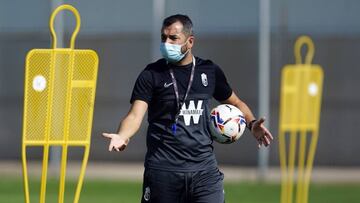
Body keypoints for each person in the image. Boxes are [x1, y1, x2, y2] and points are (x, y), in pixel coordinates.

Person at [102, 14, 273, 203]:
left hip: (204, 173)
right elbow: (135, 116)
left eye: (173, 38)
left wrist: (252, 123)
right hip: (163, 173)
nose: (167, 43)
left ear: (190, 41)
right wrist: (122, 135)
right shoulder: (151, 74)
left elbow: (237, 103)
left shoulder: (209, 70)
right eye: (163, 38)